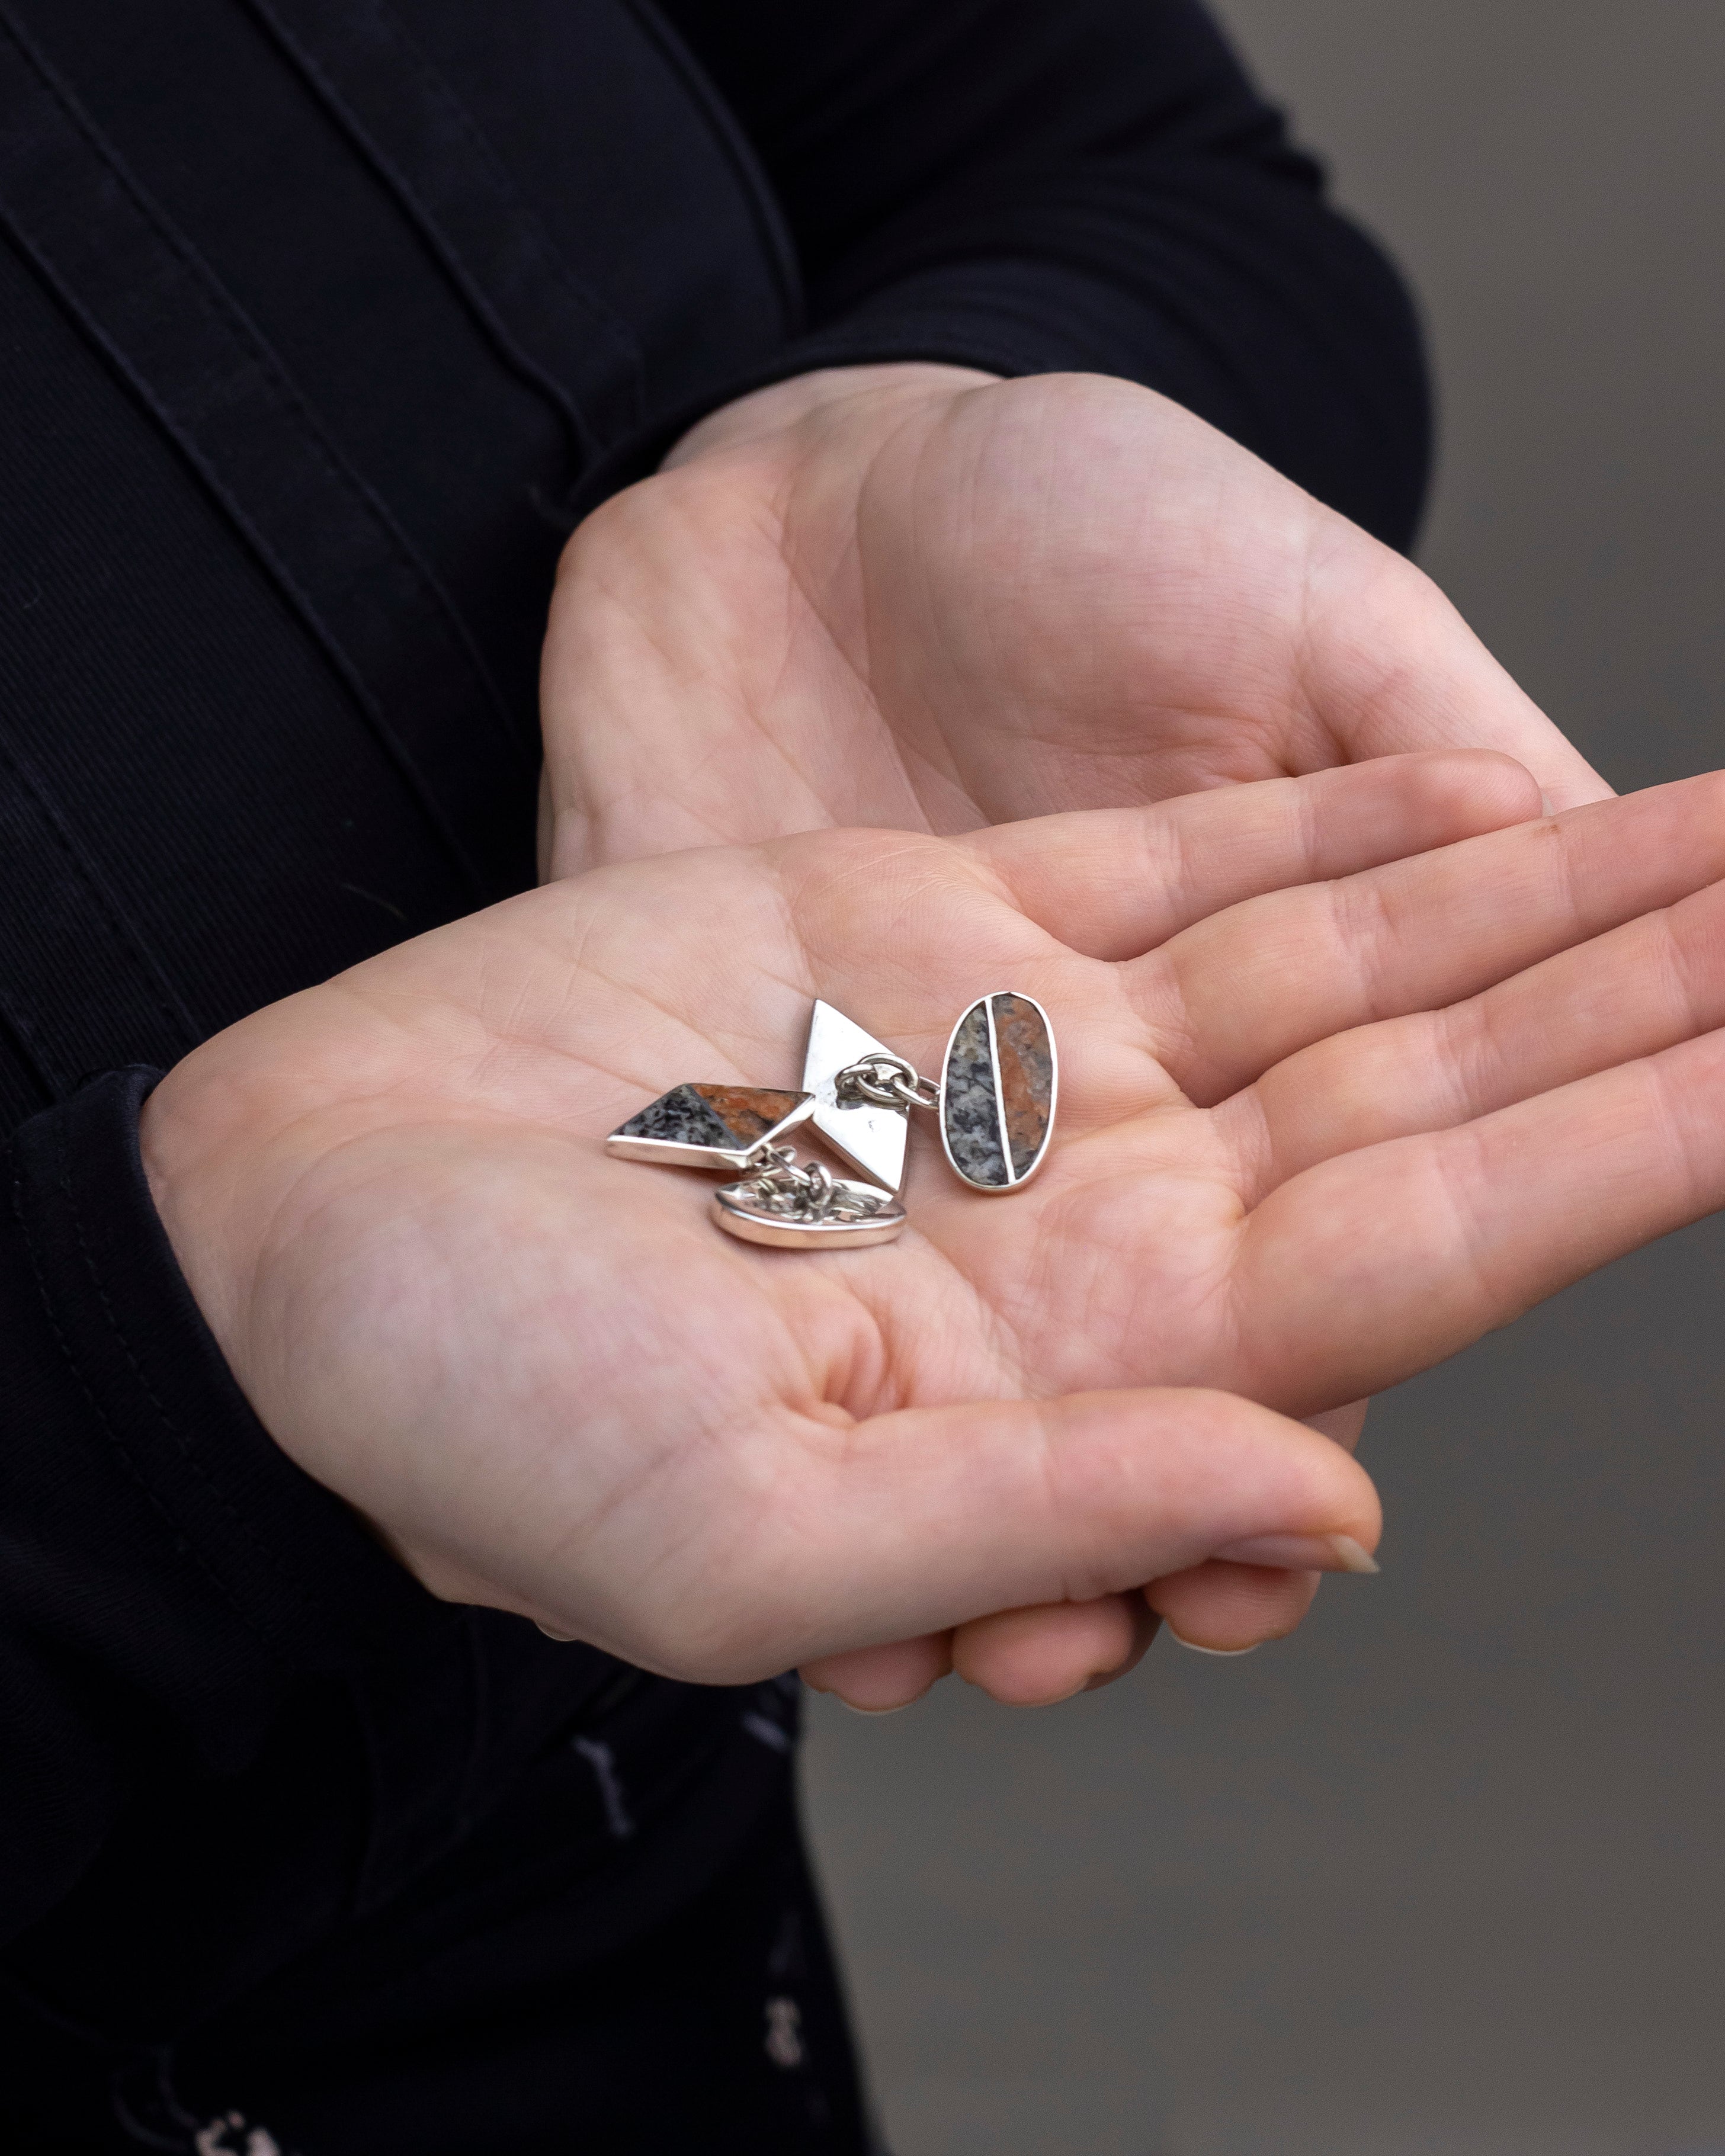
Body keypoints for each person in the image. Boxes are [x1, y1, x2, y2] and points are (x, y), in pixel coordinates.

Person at [0, 0, 1687, 2148]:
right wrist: (144, 1391)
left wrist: (900, 418)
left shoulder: (872, 1107)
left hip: (662, 1941)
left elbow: (1128, 164)